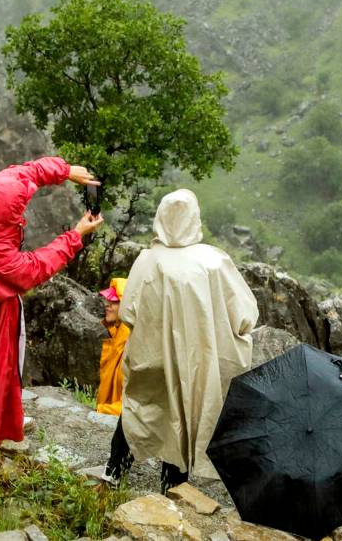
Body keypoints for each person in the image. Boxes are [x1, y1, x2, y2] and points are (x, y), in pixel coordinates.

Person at [106, 189, 258, 493]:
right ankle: (172, 488)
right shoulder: (213, 261)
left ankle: (114, 470)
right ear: (194, 219)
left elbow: (128, 311)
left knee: (143, 407)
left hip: (153, 356)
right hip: (196, 359)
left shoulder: (148, 260)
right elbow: (243, 312)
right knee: (184, 416)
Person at [0, 157, 104, 462]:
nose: (21, 216)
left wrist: (65, 171)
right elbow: (35, 268)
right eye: (17, 212)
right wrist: (75, 235)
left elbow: (23, 173)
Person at [96, 278, 130, 416]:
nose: (107, 305)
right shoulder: (117, 337)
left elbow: (132, 405)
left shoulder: (130, 345)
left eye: (114, 302)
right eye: (108, 301)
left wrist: (103, 410)